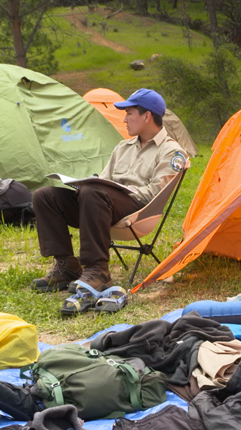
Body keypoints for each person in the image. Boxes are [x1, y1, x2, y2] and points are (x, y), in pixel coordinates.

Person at [30, 88, 187, 296]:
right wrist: (85, 188)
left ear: (147, 116)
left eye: (129, 113)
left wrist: (109, 190)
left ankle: (97, 270)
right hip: (100, 204)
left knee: (95, 192)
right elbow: (102, 181)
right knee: (46, 196)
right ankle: (66, 266)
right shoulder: (123, 147)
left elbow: (155, 195)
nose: (124, 120)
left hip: (138, 210)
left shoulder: (172, 152)